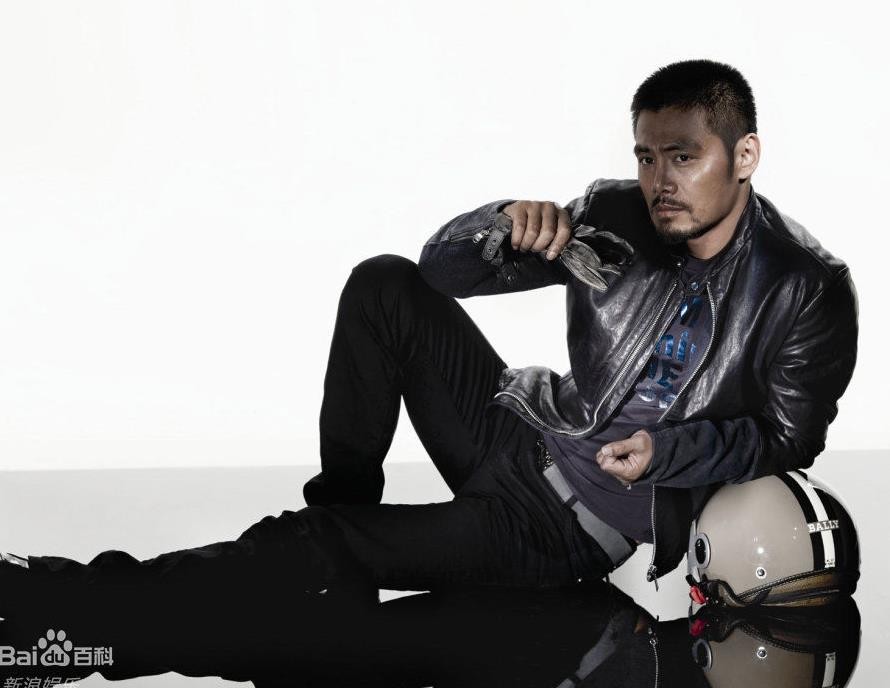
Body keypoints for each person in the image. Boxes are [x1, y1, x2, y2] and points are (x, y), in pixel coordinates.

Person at [0, 59, 858, 635]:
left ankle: (60, 596)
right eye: (645, 156)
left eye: (683, 157)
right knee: (384, 286)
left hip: (562, 529)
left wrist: (667, 453)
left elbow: (788, 438)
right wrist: (500, 228)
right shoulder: (618, 214)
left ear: (744, 154)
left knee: (318, 541)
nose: (659, 181)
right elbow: (438, 274)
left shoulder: (805, 286)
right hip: (518, 434)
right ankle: (345, 520)